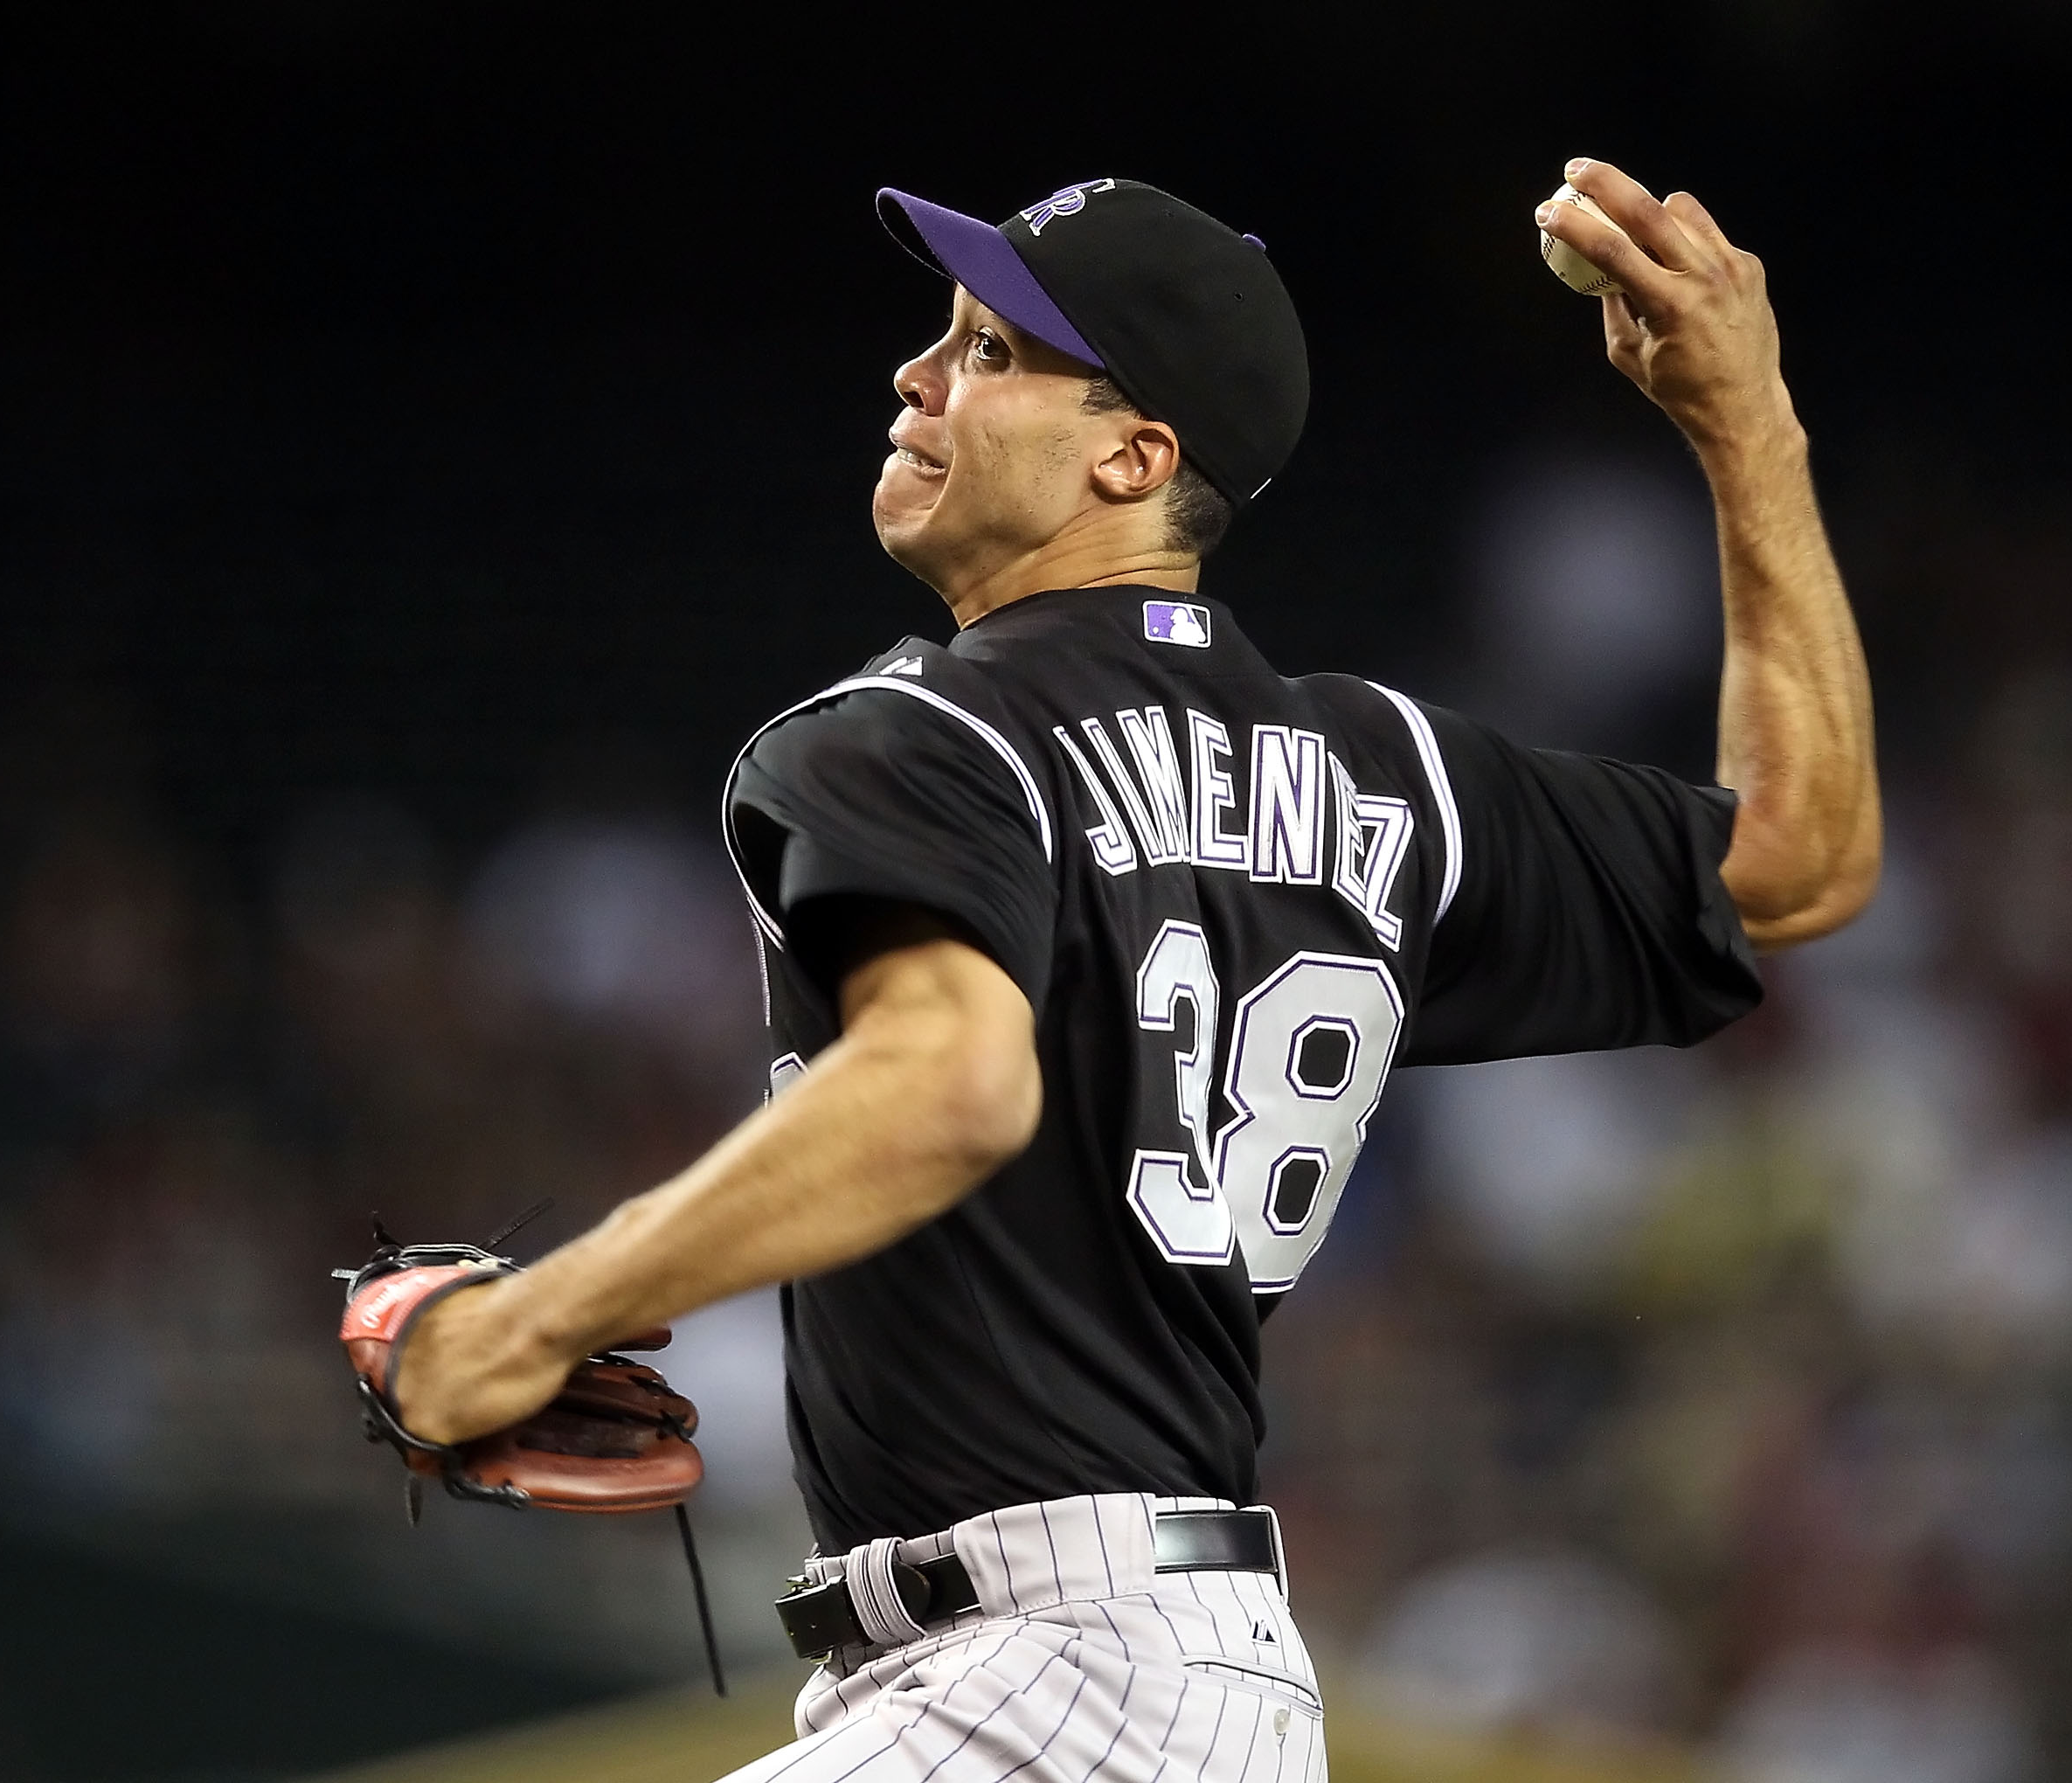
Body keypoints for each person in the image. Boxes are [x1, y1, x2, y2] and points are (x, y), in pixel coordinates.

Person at [388, 163, 1879, 1780]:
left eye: (991, 349)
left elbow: (949, 1083)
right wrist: (1752, 433)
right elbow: (1804, 855)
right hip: (1194, 1688)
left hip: (1051, 1678)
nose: (920, 374)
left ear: (1133, 455)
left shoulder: (920, 737)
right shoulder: (1387, 775)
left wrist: (527, 1322)